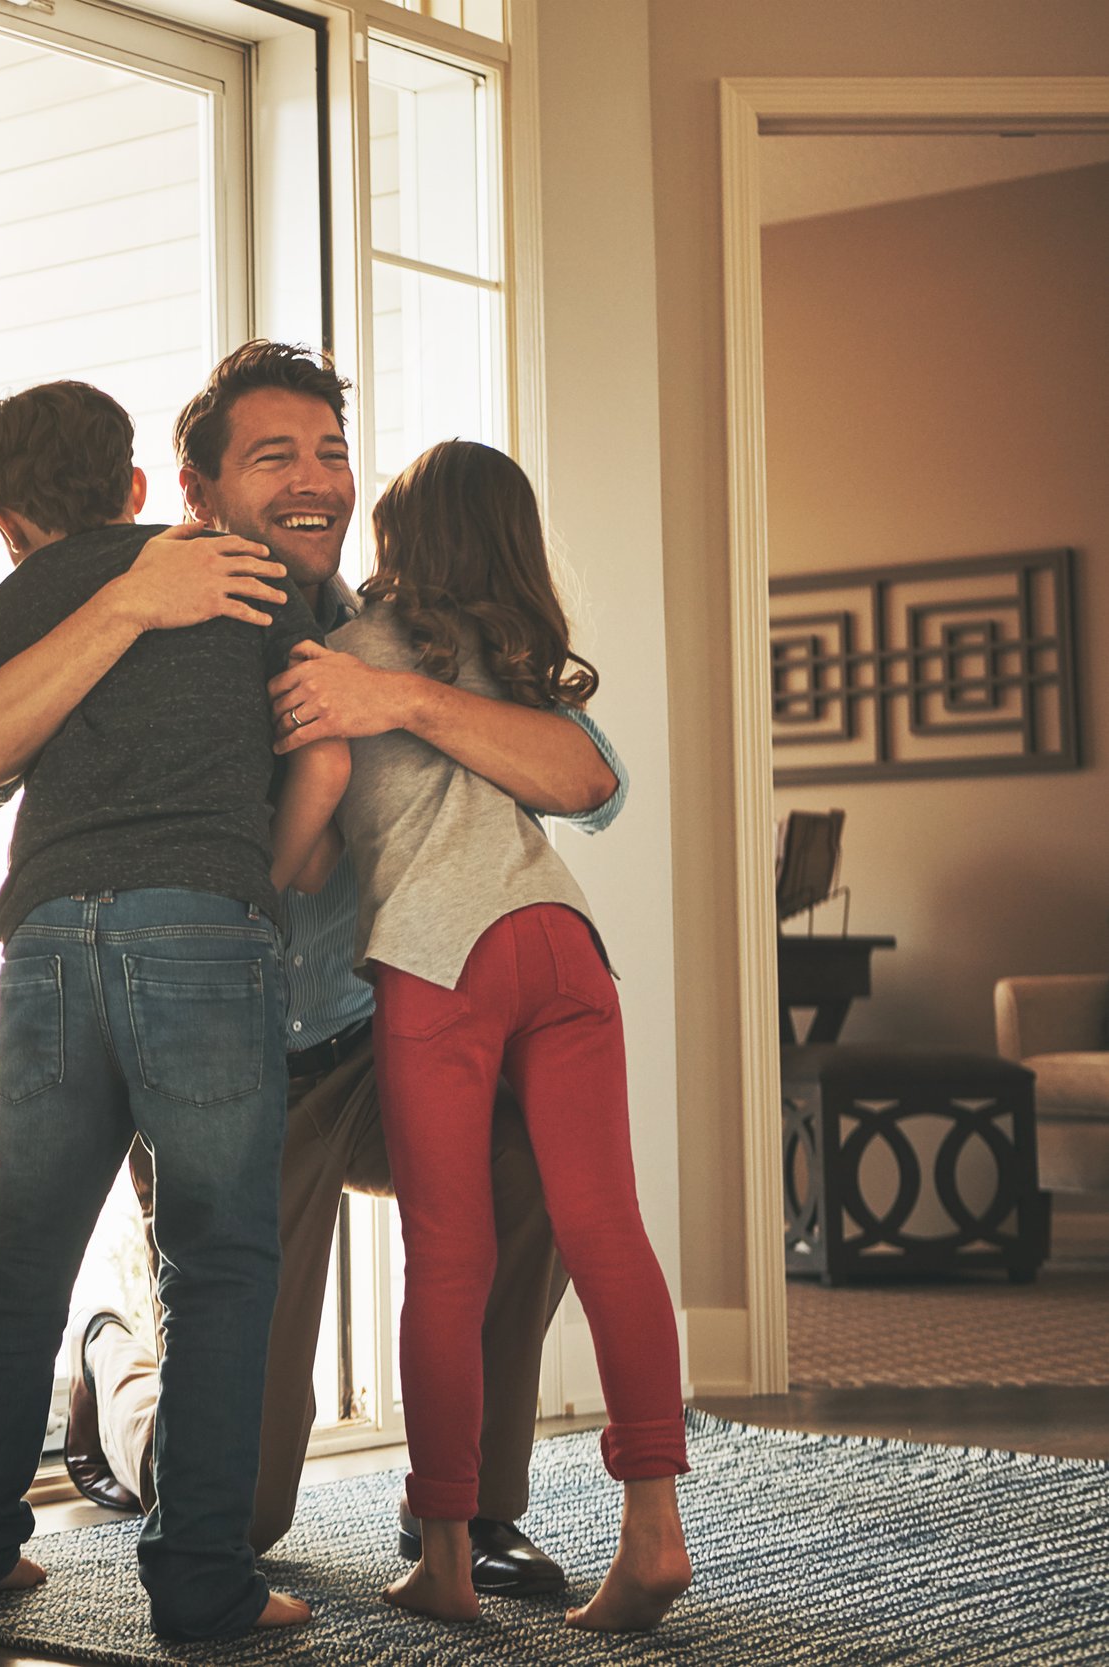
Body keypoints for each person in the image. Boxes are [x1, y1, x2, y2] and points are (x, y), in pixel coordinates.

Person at [0, 340, 627, 1600]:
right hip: (230, 1040)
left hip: (369, 1042)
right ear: (190, 497)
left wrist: (394, 701)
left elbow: (589, 779)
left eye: (329, 451)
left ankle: (463, 1510)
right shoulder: (170, 604)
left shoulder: (395, 630)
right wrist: (138, 607)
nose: (315, 480)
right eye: (274, 457)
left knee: (525, 1157)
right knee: (238, 1489)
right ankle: (115, 1372)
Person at [0, 379, 348, 1641]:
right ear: (138, 489)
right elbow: (320, 750)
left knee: (19, 1262)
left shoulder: (10, 604)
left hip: (48, 936)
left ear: (3, 522)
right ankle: (202, 1585)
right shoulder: (243, 574)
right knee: (217, 1262)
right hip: (201, 931)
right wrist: (247, 889)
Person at [330, 438, 689, 1630]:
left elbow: (316, 814)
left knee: (447, 1254)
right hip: (563, 941)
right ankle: (652, 1535)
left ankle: (442, 1554)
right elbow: (586, 787)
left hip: (442, 954)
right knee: (608, 1232)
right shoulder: (516, 664)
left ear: (399, 537)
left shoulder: (351, 651)